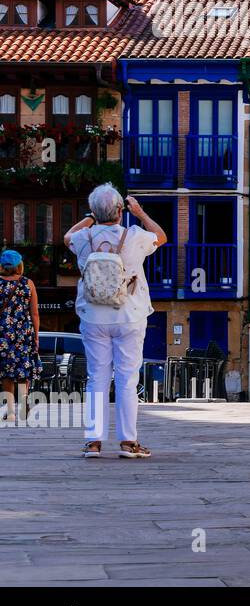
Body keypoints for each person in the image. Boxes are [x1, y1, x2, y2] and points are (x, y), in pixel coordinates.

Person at [64, 185, 166, 459]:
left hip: (94, 316)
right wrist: (140, 212)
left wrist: (91, 217)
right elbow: (161, 236)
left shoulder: (83, 237)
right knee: (127, 379)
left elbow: (66, 236)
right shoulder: (134, 236)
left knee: (96, 377)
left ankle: (94, 442)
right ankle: (128, 442)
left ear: (96, 212)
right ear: (120, 211)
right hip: (128, 315)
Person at [0, 249, 41, 421]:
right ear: (19, 265)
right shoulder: (28, 283)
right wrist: (36, 336)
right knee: (23, 371)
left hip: (3, 333)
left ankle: (10, 412)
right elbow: (35, 313)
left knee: (6, 373)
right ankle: (24, 406)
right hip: (24, 333)